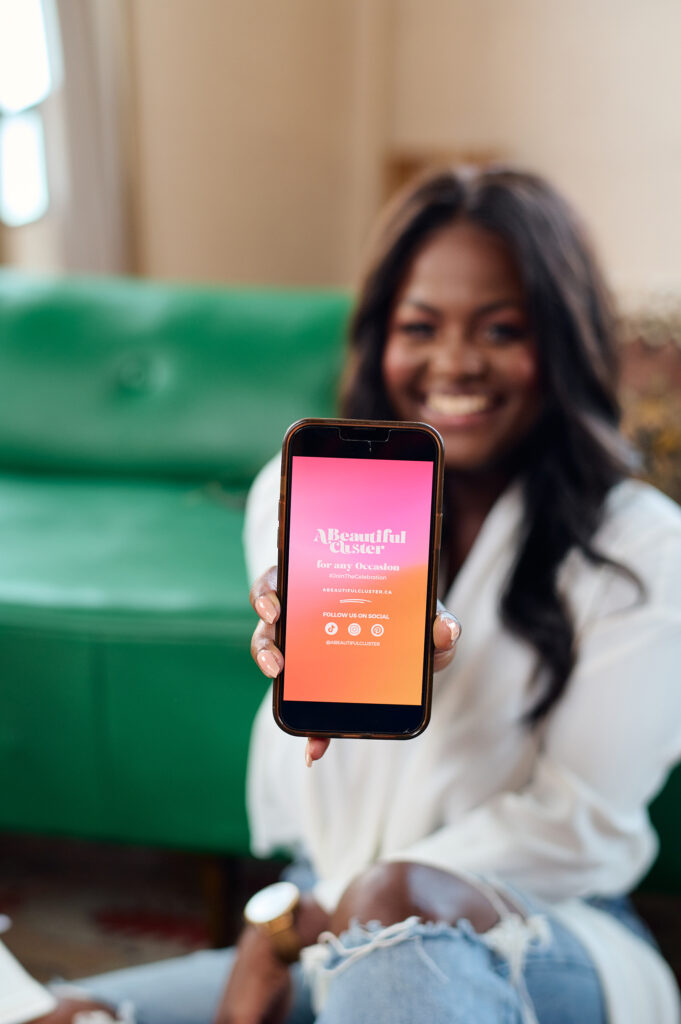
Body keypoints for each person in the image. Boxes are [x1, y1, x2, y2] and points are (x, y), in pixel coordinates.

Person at [41, 167, 681, 1024]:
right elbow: (322, 779)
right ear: (380, 337)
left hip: (547, 928)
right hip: (325, 914)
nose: (454, 361)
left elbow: (583, 827)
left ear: (558, 343)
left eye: (500, 329)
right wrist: (311, 916)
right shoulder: (299, 494)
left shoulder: (640, 545)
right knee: (64, 1016)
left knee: (390, 926)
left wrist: (329, 916)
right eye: (420, 326)